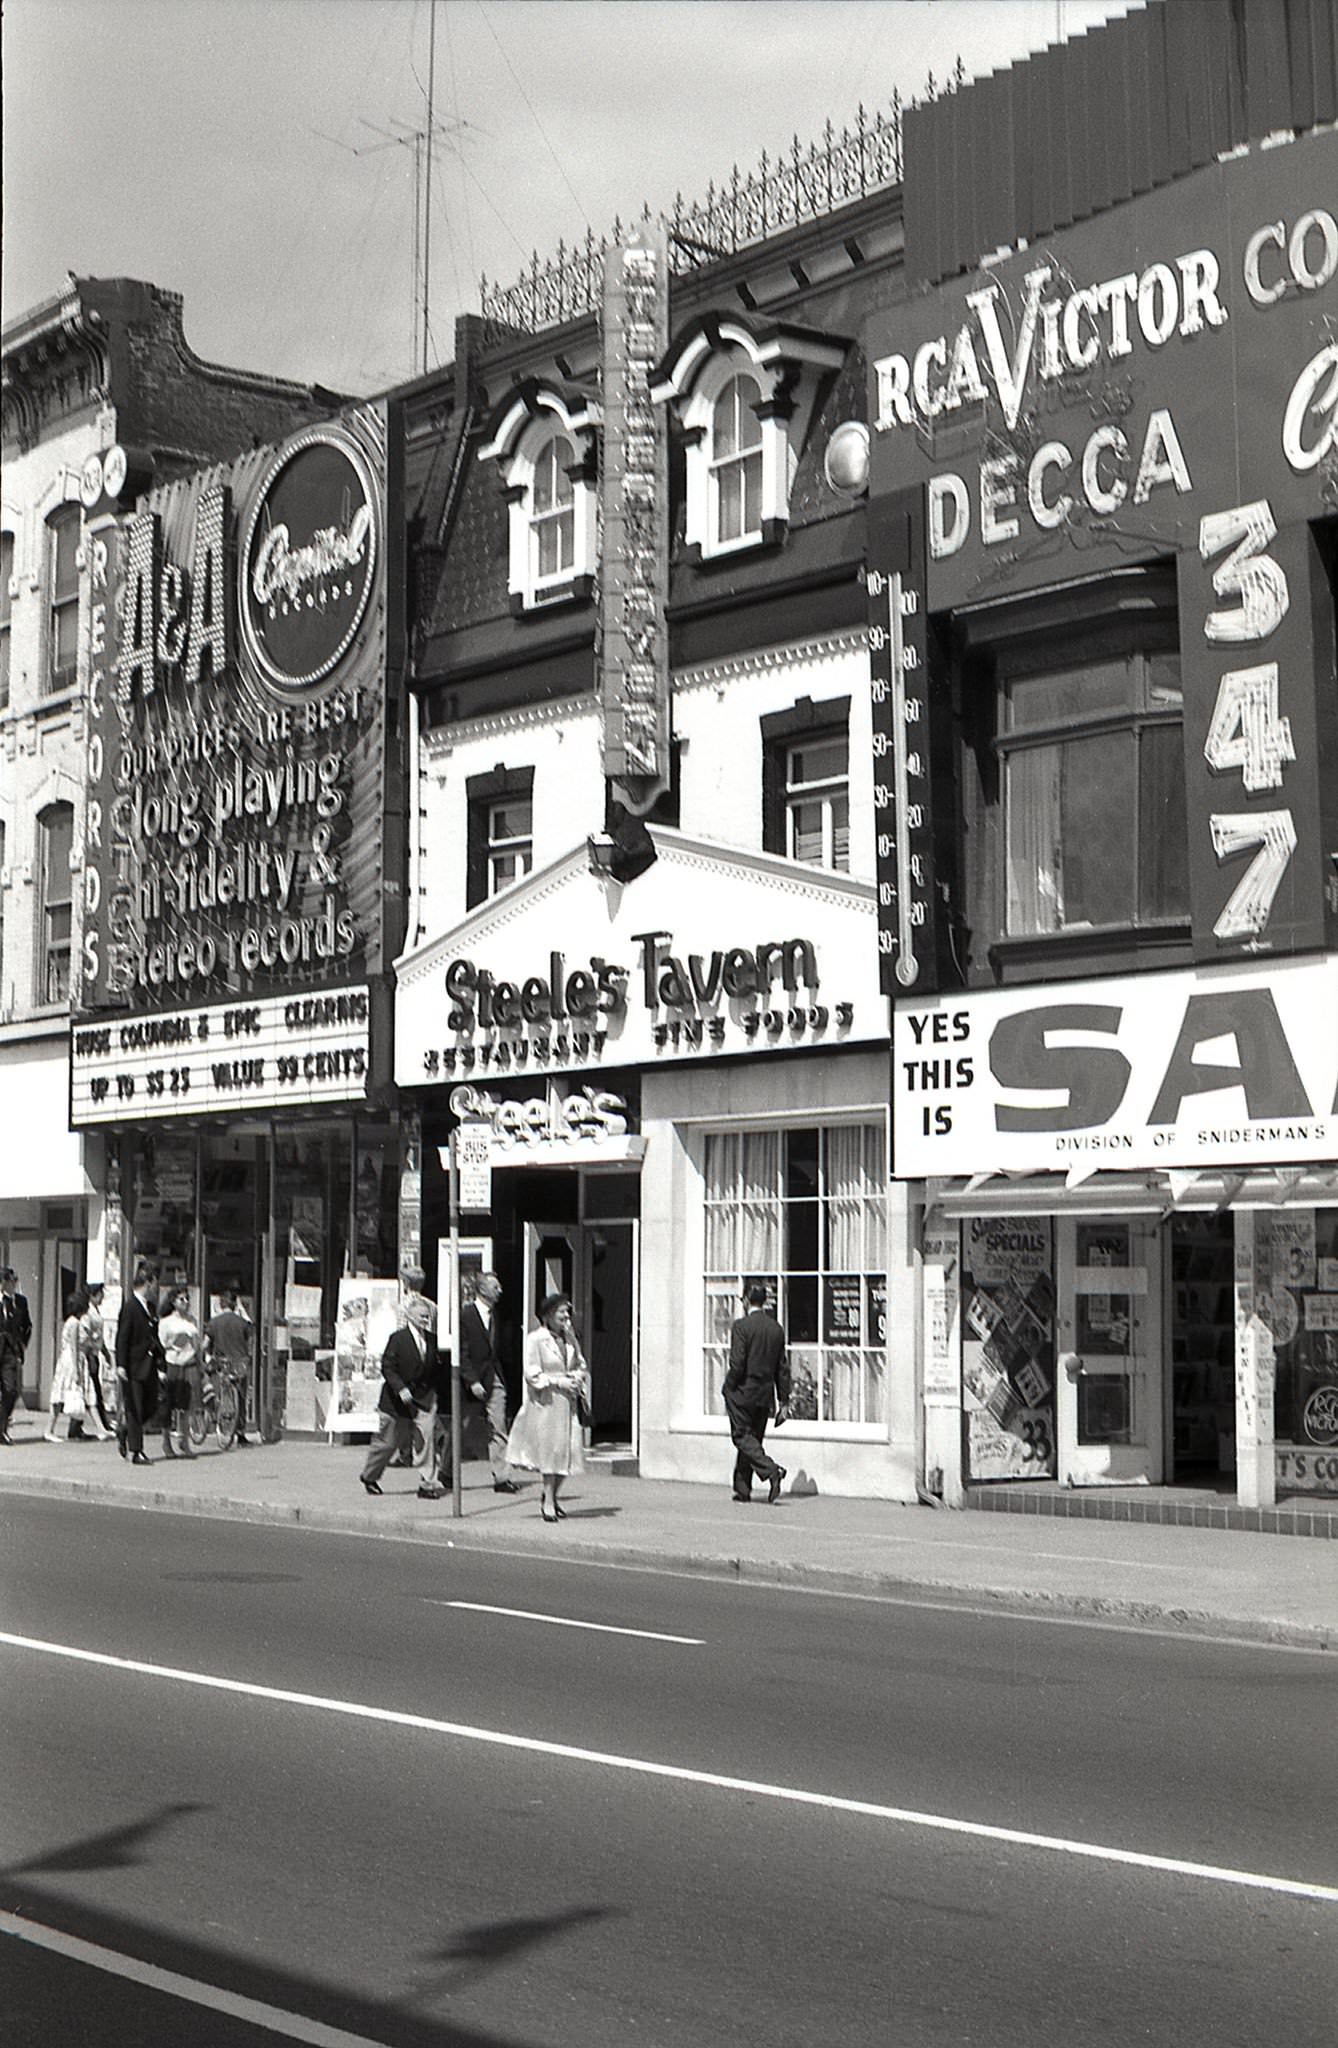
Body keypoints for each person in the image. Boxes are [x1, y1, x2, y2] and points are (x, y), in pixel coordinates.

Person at [505, 1293, 589, 1523]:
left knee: (569, 1453)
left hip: (567, 1402)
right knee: (550, 1453)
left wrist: (576, 1377)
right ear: (549, 1315)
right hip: (547, 1403)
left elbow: (581, 1363)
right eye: (561, 1311)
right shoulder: (535, 1339)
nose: (566, 1316)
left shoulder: (570, 1337)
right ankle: (549, 1502)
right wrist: (557, 1381)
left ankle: (550, 1495)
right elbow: (531, 1374)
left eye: (567, 1312)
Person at [360, 1292, 441, 1496]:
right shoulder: (398, 1339)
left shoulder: (432, 1340)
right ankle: (370, 1475)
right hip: (395, 1401)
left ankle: (427, 1483)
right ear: (411, 1316)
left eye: (427, 1316)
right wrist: (400, 1388)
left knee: (427, 1438)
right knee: (387, 1444)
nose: (426, 1319)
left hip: (422, 1399)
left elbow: (435, 1369)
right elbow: (388, 1367)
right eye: (422, 1316)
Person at [724, 1281, 790, 1505]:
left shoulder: (741, 1327)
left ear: (745, 1301)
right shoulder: (776, 1329)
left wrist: (728, 1386)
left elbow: (737, 1363)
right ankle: (742, 1488)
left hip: (743, 1391)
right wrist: (784, 1400)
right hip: (764, 1394)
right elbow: (782, 1367)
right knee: (752, 1440)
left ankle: (772, 1470)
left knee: (741, 1437)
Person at [459, 1273, 518, 1494]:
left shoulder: (496, 1315)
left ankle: (502, 1477)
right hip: (472, 1380)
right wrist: (471, 1380)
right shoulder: (466, 1315)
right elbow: (462, 1352)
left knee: (499, 1426)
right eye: (496, 1286)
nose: (500, 1290)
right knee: (461, 1429)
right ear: (482, 1290)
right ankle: (446, 1471)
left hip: (494, 1378)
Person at [115, 1262, 164, 1464]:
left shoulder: (150, 1308)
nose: (156, 1288)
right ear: (147, 1282)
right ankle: (136, 1451)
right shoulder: (130, 1307)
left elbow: (153, 1337)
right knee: (134, 1407)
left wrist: (161, 1363)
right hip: (133, 1366)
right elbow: (122, 1338)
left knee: (151, 1406)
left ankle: (126, 1430)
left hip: (150, 1365)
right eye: (155, 1284)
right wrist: (120, 1365)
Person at [45, 1288, 107, 1441]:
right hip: (73, 1361)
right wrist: (75, 1370)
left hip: (74, 1360)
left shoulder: (72, 1322)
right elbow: (73, 1346)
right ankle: (49, 1429)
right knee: (65, 1395)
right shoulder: (74, 1323)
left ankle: (101, 1428)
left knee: (85, 1394)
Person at [157, 1286, 203, 1458]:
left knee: (186, 1404)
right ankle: (166, 1441)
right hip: (173, 1363)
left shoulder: (192, 1321)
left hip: (189, 1362)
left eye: (187, 1299)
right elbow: (162, 1344)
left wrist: (200, 1362)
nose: (185, 1302)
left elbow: (197, 1344)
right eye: (181, 1299)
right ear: (173, 1302)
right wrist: (176, 1340)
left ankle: (184, 1440)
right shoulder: (166, 1322)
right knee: (168, 1404)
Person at [204, 1288, 254, 1446]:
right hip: (240, 1362)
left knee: (217, 1390)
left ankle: (216, 1418)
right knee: (241, 1395)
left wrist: (207, 1356)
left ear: (220, 1304)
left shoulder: (214, 1322)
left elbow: (205, 1343)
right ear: (235, 1304)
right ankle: (240, 1433)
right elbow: (250, 1340)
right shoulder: (242, 1323)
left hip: (222, 1361)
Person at [0, 1265, 33, 1445]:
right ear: (3, 1283)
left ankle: (2, 1428)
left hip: (10, 1353)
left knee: (11, 1390)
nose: (15, 1284)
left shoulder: (20, 1302)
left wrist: (21, 1346)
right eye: (12, 1281)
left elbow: (28, 1326)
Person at [83, 1282, 117, 1437]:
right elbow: (89, 1335)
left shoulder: (96, 1311)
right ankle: (102, 1424)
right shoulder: (88, 1313)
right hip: (89, 1355)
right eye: (100, 1294)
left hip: (95, 1354)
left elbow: (99, 1337)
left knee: (90, 1389)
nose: (102, 1297)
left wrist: (105, 1352)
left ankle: (77, 1425)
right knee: (93, 1389)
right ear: (92, 1295)